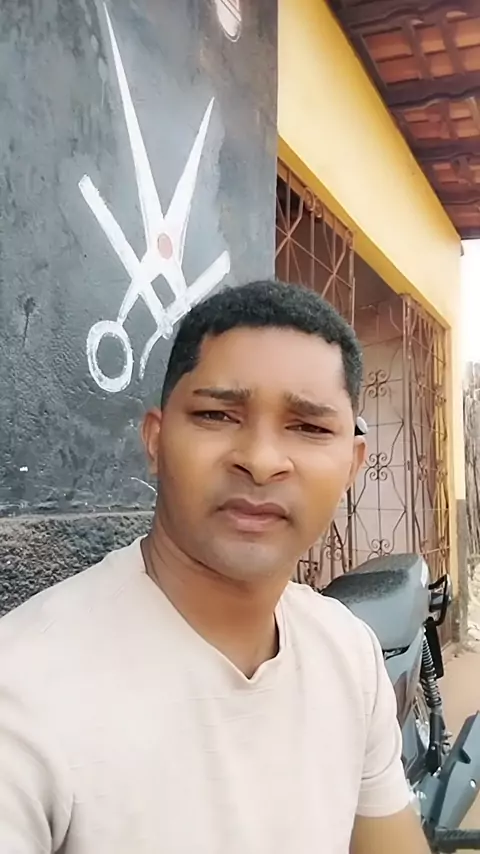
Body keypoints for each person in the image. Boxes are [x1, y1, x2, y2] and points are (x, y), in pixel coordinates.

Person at [0, 279, 429, 853]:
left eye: (308, 427)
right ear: (156, 441)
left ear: (353, 466)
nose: (261, 461)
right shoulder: (24, 692)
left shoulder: (348, 655)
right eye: (217, 415)